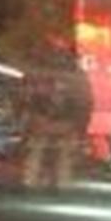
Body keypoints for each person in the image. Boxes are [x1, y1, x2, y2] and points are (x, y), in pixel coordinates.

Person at [20, 39, 92, 190]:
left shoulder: (38, 70)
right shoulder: (77, 74)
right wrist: (81, 124)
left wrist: (27, 115)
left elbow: (27, 94)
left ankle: (31, 180)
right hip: (66, 121)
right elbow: (85, 100)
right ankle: (60, 183)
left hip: (42, 119)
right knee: (63, 154)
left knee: (36, 151)